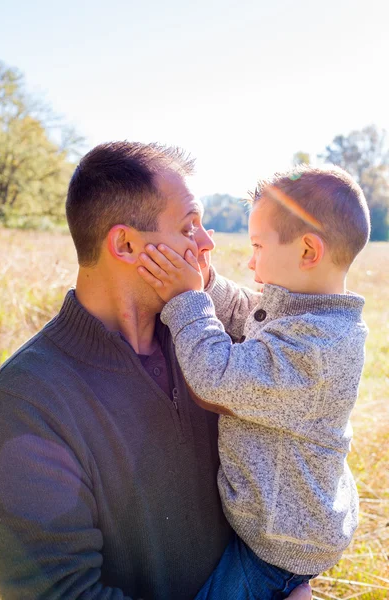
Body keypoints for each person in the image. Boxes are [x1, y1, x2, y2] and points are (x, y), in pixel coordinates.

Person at [0, 141, 312, 600]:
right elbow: (61, 592)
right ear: (124, 244)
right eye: (189, 227)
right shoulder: (27, 400)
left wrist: (292, 581)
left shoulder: (212, 339)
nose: (207, 242)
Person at [136, 164, 370, 599]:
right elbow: (251, 313)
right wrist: (207, 283)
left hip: (280, 544)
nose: (250, 261)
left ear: (307, 252)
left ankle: (291, 587)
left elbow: (217, 376)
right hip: (288, 517)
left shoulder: (316, 347)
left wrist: (187, 300)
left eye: (258, 246)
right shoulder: (306, 315)